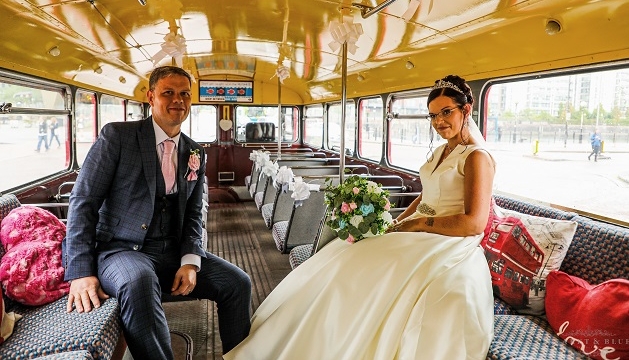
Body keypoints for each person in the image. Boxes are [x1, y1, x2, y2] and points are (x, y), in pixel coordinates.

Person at [224, 75, 496, 360]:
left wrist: (415, 224)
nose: (439, 122)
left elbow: (474, 223)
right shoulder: (444, 149)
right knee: (344, 254)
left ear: (466, 109)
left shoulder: (476, 157)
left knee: (362, 267)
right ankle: (318, 332)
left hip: (447, 240)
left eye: (446, 112)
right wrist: (399, 220)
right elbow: (427, 195)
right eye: (433, 115)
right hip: (419, 230)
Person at [63, 66, 252, 359]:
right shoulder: (118, 137)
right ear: (151, 97)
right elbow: (82, 202)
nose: (178, 100)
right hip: (121, 250)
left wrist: (190, 261)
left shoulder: (194, 152)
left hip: (172, 251)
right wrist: (81, 272)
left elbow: (193, 212)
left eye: (185, 94)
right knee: (140, 281)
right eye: (168, 93)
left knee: (237, 283)